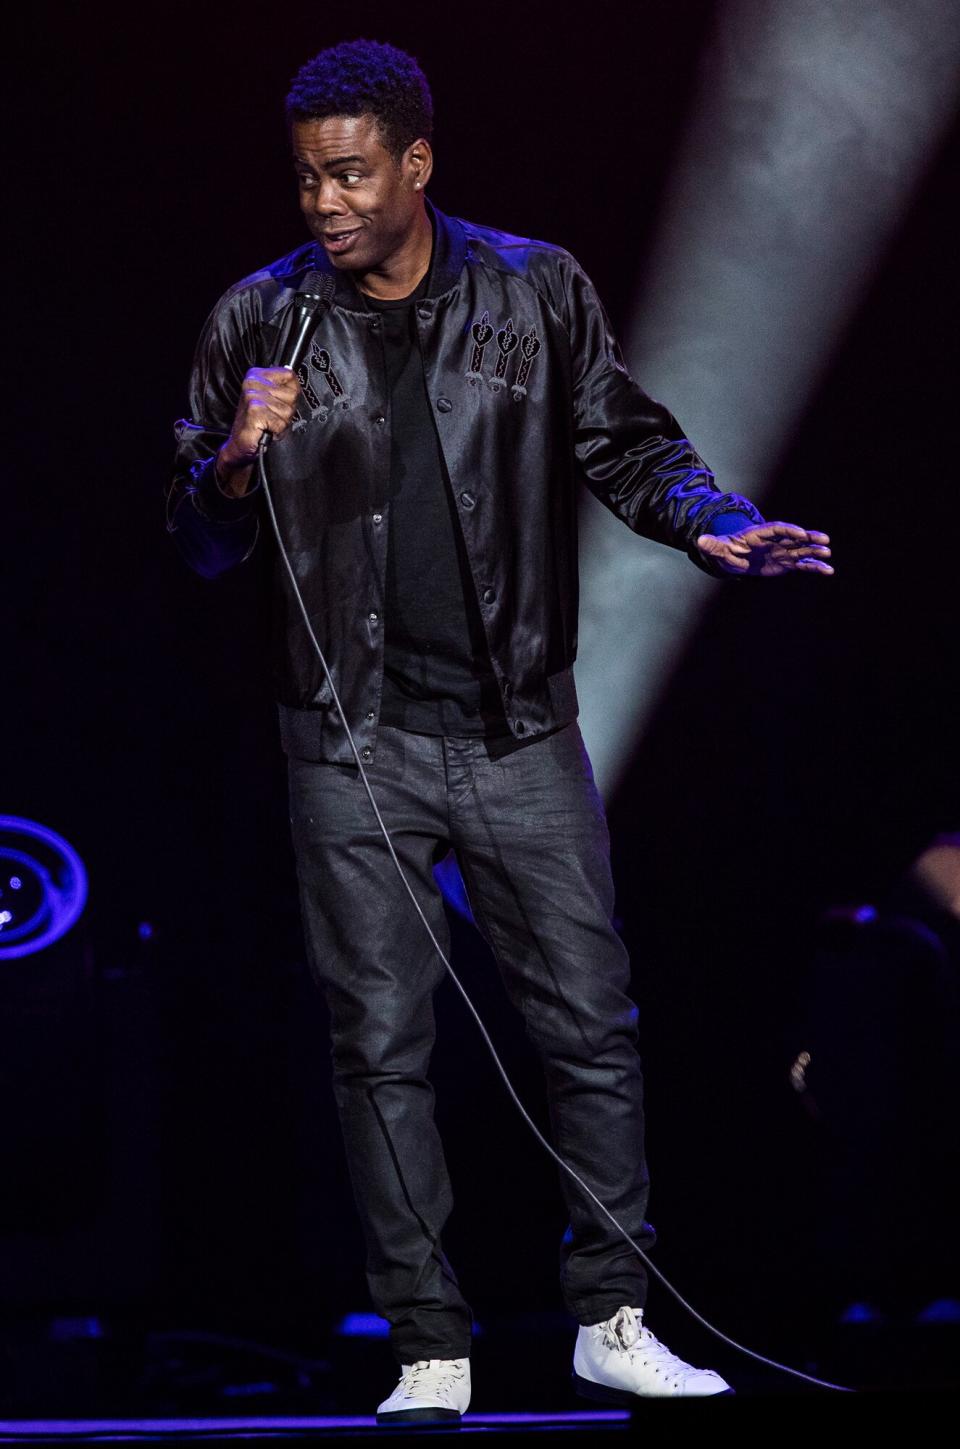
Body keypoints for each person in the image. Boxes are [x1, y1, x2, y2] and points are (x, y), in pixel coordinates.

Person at [167, 39, 833, 1421]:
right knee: (379, 1041)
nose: (325, 202)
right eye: (305, 179)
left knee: (591, 1019)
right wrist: (236, 455)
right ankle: (430, 1341)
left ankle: (615, 1315)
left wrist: (717, 525)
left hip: (519, 722)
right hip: (349, 738)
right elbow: (200, 536)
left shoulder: (533, 288)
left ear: (416, 163)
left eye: (350, 172)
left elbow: (627, 441)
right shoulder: (257, 320)